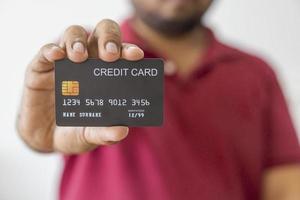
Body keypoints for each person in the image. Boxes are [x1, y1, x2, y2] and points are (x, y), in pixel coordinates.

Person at [17, 0, 300, 199]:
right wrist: (37, 135)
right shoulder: (83, 60)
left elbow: (286, 184)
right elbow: (43, 132)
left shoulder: (256, 73)